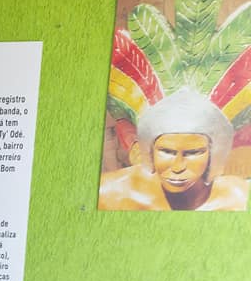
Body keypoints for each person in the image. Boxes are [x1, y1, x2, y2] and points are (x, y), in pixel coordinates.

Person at [98, 89, 249, 211]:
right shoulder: (109, 194)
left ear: (213, 155)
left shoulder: (239, 199)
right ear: (149, 151)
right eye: (167, 152)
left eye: (193, 153)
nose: (178, 167)